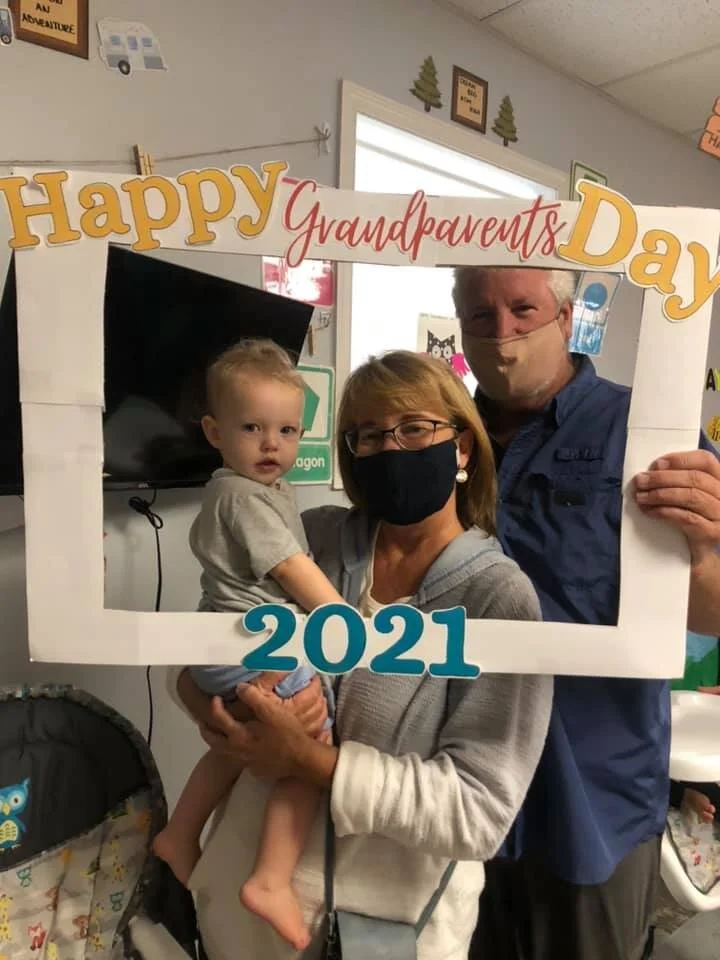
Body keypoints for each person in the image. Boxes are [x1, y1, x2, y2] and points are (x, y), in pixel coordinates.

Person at [166, 350, 553, 960]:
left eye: (414, 429)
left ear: (461, 448)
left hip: (386, 935)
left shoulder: (499, 598)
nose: (390, 449)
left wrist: (312, 762)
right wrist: (217, 709)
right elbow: (203, 641)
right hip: (235, 920)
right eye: (368, 435)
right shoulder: (311, 536)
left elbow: (478, 812)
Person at [452, 266, 720, 960]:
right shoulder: (434, 435)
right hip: (451, 785)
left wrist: (702, 552)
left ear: (567, 317)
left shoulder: (649, 431)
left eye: (523, 309)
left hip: (591, 793)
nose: (503, 333)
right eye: (480, 315)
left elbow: (714, 612)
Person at [153, 339, 346, 951]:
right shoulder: (242, 495)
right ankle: (270, 877)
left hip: (227, 644)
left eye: (286, 430)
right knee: (310, 746)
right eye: (252, 428)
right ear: (214, 432)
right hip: (252, 645)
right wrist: (344, 623)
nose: (271, 444)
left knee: (238, 744)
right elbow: (291, 568)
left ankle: (180, 833)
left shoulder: (257, 492)